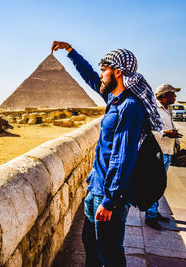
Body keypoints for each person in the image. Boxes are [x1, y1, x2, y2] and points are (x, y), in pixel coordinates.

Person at [51, 41, 162, 267]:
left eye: (104, 70)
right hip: (96, 188)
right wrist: (71, 52)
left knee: (110, 253)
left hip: (109, 195)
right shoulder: (114, 100)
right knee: (90, 244)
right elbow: (90, 77)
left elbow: (123, 158)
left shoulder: (129, 107)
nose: (100, 75)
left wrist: (110, 201)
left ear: (118, 72)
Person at [144, 84, 183, 230]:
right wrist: (166, 133)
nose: (175, 97)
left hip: (167, 150)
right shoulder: (154, 110)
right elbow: (148, 130)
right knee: (155, 184)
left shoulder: (168, 109)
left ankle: (154, 211)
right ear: (165, 95)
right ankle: (150, 216)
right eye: (173, 94)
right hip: (158, 152)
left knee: (160, 185)